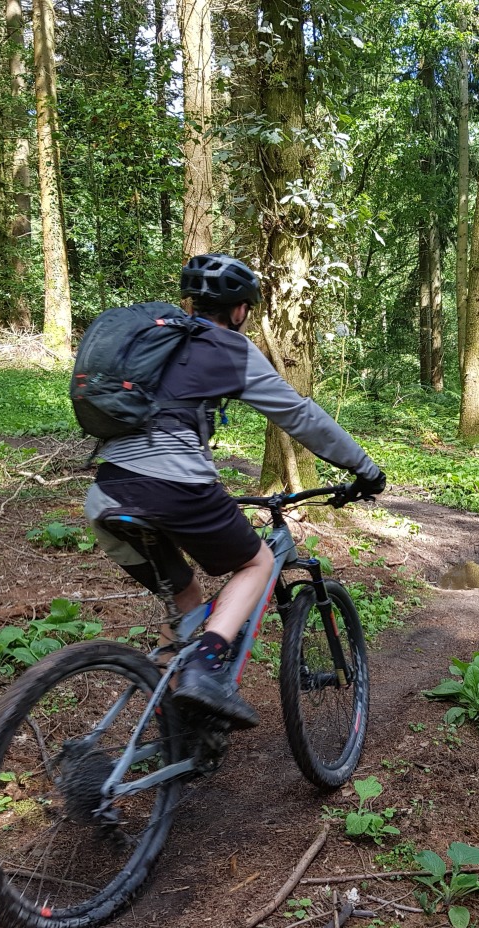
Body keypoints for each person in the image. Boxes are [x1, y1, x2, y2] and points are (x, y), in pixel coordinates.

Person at [84, 253, 385, 729]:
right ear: (240, 310)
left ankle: (171, 725)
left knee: (185, 601)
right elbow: (301, 417)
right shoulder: (227, 347)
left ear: (192, 301)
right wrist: (364, 468)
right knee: (258, 562)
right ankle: (206, 668)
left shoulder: (156, 343)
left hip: (107, 492)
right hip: (174, 487)